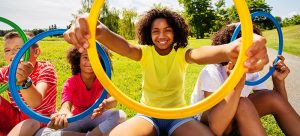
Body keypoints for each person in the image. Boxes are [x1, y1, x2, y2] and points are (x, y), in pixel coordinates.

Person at [63, 8, 269, 136]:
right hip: (147, 115)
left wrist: (230, 49)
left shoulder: (182, 54)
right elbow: (125, 46)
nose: (162, 35)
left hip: (179, 117)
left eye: (168, 29)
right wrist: (98, 30)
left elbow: (200, 54)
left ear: (176, 31)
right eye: (156, 31)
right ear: (148, 34)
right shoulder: (144, 53)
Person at [190, 23, 300, 135]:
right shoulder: (212, 71)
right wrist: (236, 86)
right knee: (242, 102)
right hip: (210, 124)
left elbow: (277, 104)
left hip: (234, 117)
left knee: (270, 97)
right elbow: (217, 128)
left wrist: (278, 82)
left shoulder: (250, 69)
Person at [35, 45, 126, 136]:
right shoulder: (71, 82)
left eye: (94, 58)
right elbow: (66, 105)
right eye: (85, 57)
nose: (90, 61)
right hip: (77, 119)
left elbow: (114, 100)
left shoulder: (103, 80)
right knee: (42, 133)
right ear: (78, 61)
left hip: (98, 117)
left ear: (100, 62)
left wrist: (104, 103)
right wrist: (64, 113)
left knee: (120, 115)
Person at [0, 32, 57, 136]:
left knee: (28, 124)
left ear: (36, 52)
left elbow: (35, 102)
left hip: (40, 119)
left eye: (18, 49)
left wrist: (23, 80)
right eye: (7, 50)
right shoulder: (6, 71)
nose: (12, 53)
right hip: (18, 116)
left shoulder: (45, 69)